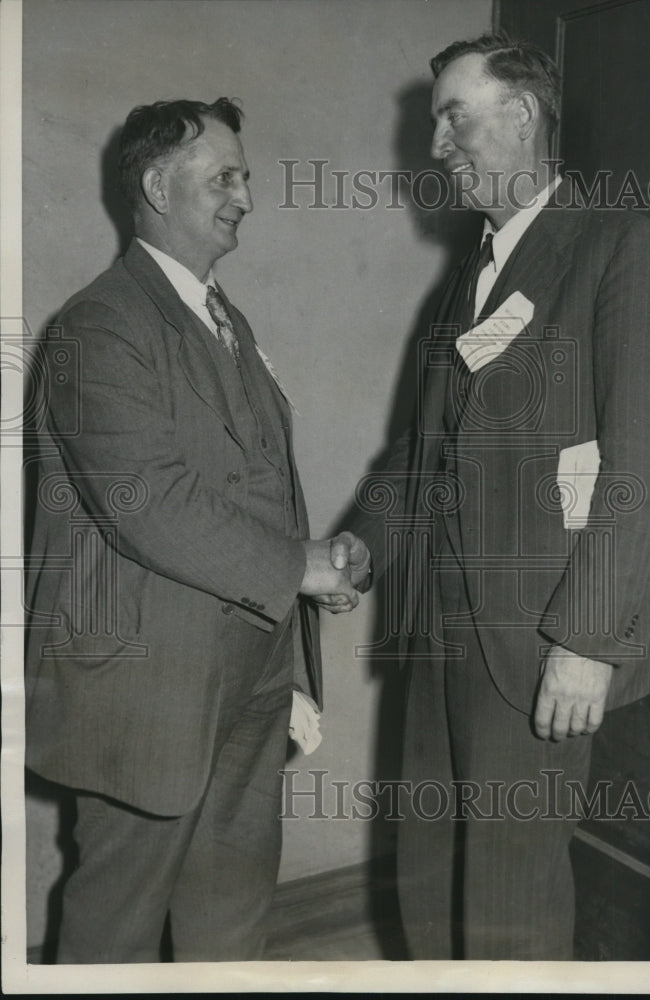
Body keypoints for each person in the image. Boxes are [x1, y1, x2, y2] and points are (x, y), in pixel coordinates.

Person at [350, 34, 650, 959]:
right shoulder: (468, 278)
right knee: (429, 882)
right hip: (441, 639)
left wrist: (585, 640)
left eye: (453, 116)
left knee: (510, 901)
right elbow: (422, 456)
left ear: (523, 116)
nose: (435, 144)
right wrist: (360, 548)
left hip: (542, 646)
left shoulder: (621, 247)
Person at [25, 97, 370, 963]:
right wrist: (301, 566)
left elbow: (246, 484)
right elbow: (150, 502)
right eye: (224, 177)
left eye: (244, 176)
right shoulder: (99, 326)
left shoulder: (225, 320)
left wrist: (310, 570)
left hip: (250, 676)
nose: (245, 195)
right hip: (147, 692)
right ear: (154, 184)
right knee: (118, 927)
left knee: (231, 913)